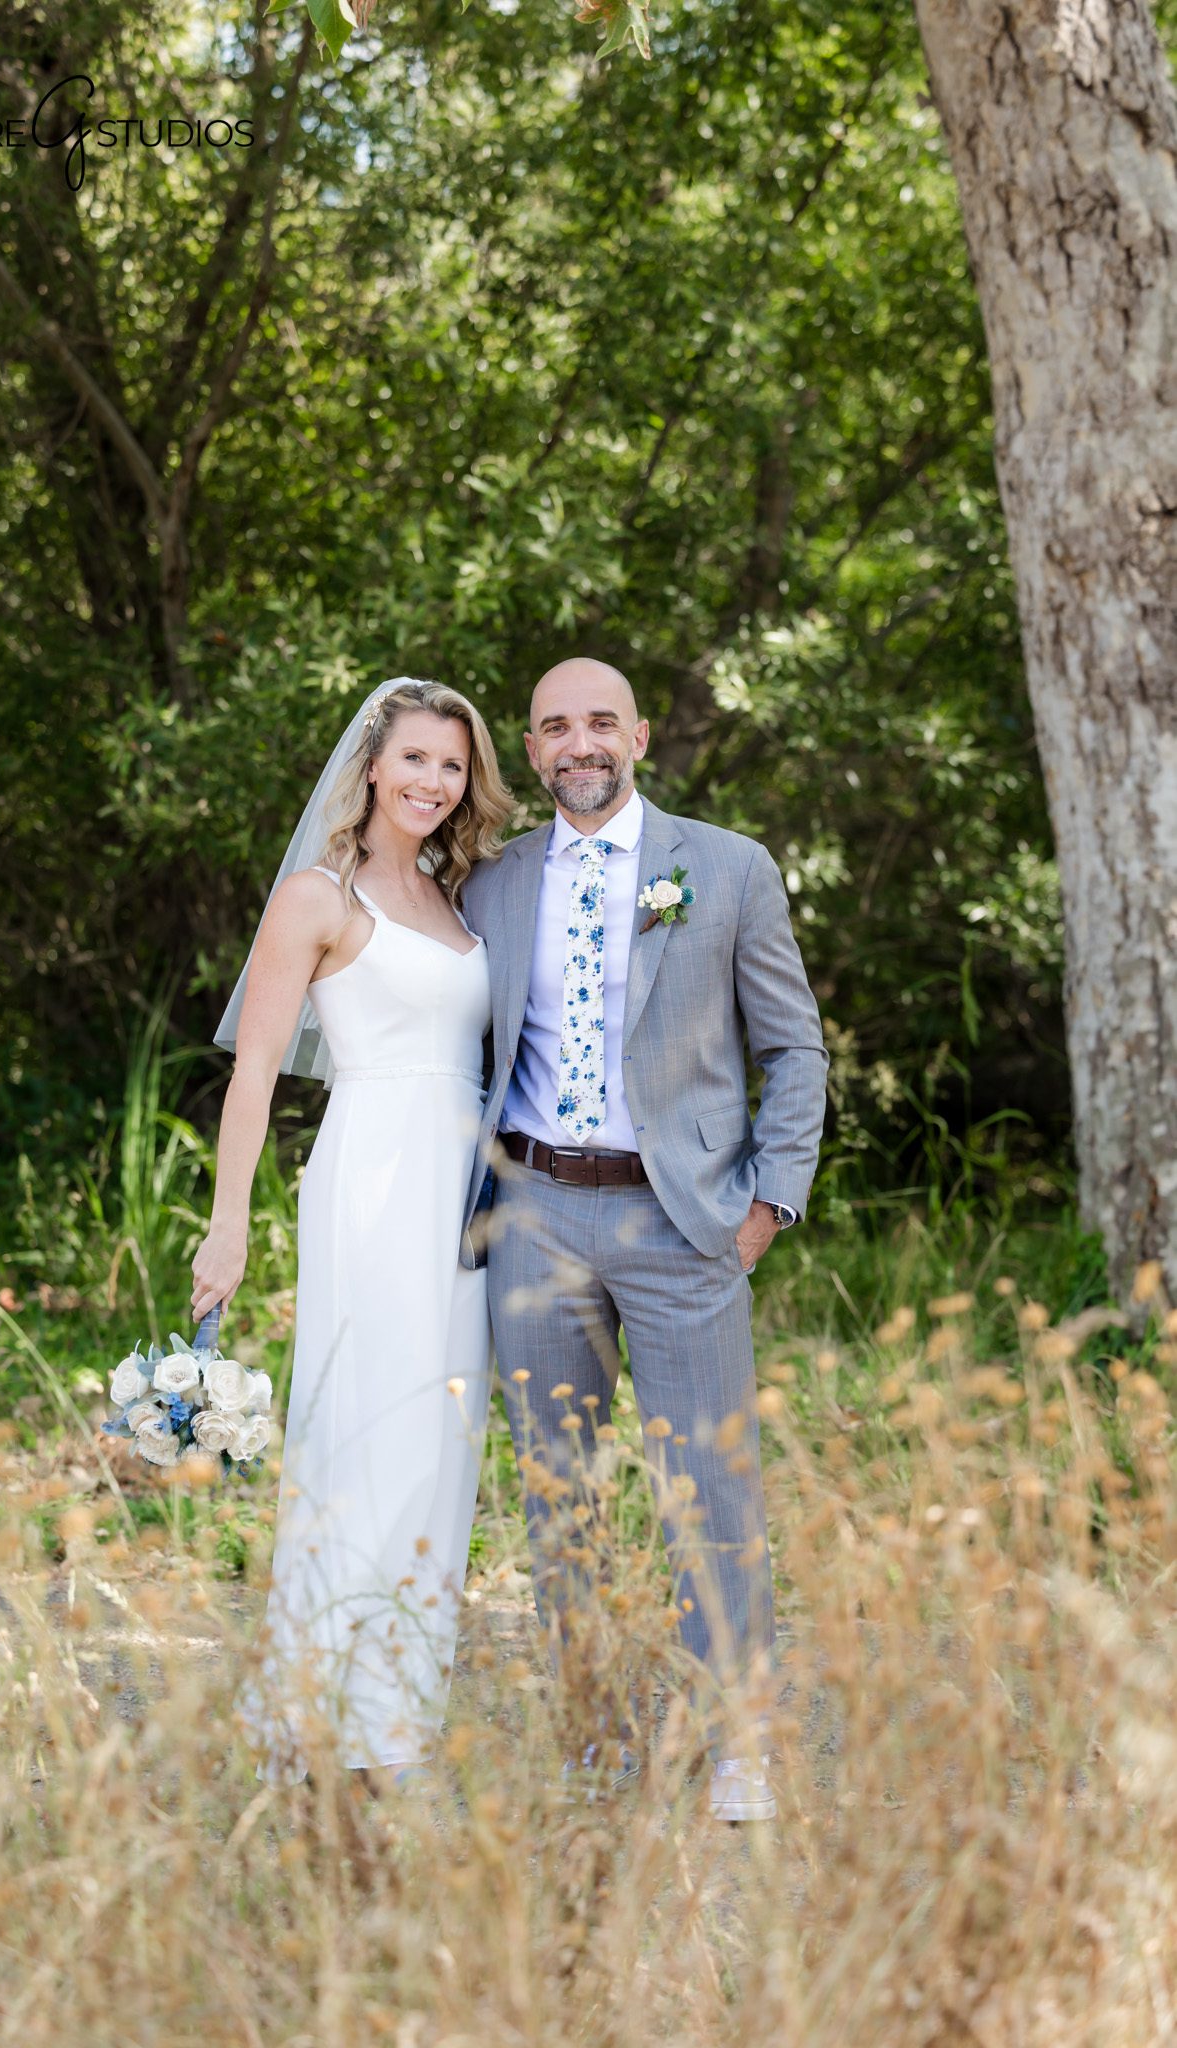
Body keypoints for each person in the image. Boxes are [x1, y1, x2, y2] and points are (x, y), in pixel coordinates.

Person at [459, 657, 828, 1822]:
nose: (580, 742)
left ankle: (735, 1743)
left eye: (600, 721)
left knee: (709, 1485)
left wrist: (769, 1203)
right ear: (530, 749)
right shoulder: (493, 882)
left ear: (641, 735)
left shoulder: (724, 867)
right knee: (556, 1489)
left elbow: (797, 1048)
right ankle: (590, 1729)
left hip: (686, 1221)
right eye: (555, 725)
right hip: (535, 1215)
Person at [192, 678, 513, 1782]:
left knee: (442, 1436)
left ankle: (396, 1716)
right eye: (416, 758)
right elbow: (253, 1080)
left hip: (466, 1189)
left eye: (453, 766)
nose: (433, 780)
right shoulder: (315, 898)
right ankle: (314, 1713)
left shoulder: (458, 895)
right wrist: (225, 1224)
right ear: (373, 763)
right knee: (369, 1433)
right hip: (372, 1173)